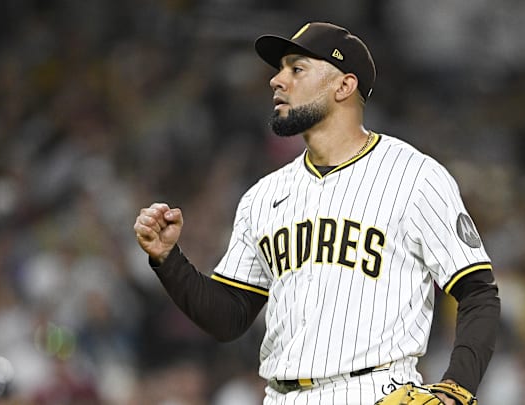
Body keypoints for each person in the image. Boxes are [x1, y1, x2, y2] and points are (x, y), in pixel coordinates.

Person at [134, 22, 500, 405]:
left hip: (373, 392)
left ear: (344, 85)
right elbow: (229, 317)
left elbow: (478, 292)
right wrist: (167, 259)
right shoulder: (263, 196)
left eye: (297, 69)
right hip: (281, 396)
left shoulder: (414, 176)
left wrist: (456, 388)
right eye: (279, 70)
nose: (277, 81)